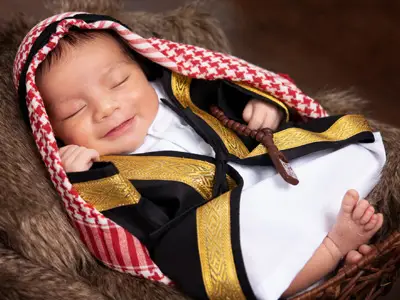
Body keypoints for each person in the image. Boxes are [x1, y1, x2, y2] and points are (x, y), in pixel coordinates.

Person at [16, 14, 386, 300]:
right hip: (231, 229)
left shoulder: (178, 87)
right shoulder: (104, 170)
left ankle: (323, 242)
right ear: (53, 132)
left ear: (143, 68)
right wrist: (84, 180)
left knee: (346, 147)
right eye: (74, 112)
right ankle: (331, 249)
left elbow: (227, 91)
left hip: (268, 173)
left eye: (117, 82)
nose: (107, 108)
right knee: (196, 258)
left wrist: (261, 109)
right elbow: (139, 228)